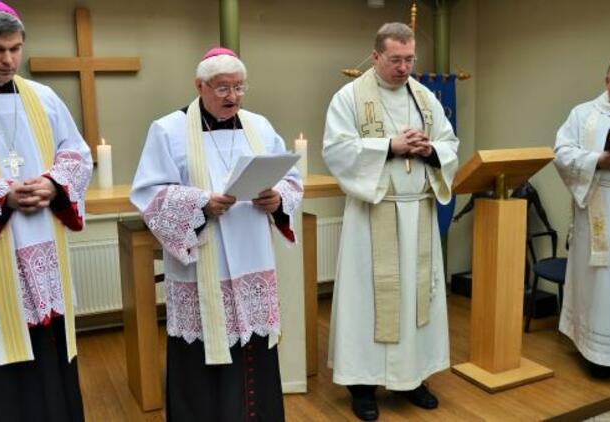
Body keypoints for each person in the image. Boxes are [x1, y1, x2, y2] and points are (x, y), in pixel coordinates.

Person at [131, 47, 303, 421]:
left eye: (240, 87)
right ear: (200, 86)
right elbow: (148, 193)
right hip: (204, 262)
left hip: (253, 255)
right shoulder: (168, 129)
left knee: (254, 350)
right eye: (223, 88)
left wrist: (278, 197)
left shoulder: (259, 125)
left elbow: (290, 178)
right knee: (203, 354)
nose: (233, 97)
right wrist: (201, 204)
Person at [323, 22, 459, 420]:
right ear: (376, 55)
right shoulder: (349, 97)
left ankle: (413, 378)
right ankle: (362, 386)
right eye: (396, 60)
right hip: (373, 214)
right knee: (368, 301)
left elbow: (450, 143)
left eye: (409, 59)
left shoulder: (424, 97)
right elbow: (337, 149)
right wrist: (390, 146)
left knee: (417, 299)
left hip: (418, 211)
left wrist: (430, 149)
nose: (404, 68)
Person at [0, 1, 92, 420]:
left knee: (51, 360)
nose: (9, 59)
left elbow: (76, 154)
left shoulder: (42, 97)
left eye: (15, 48)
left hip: (43, 247)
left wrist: (53, 183)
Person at [555, 58, 610, 378]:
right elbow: (562, 154)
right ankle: (596, 352)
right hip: (598, 207)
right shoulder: (584, 115)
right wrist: (599, 160)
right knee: (601, 281)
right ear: (607, 79)